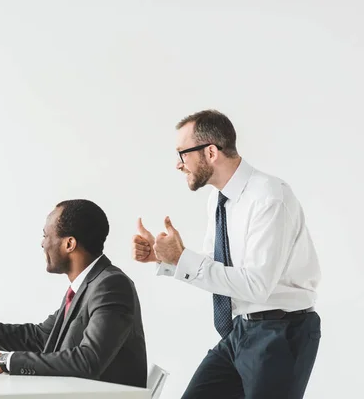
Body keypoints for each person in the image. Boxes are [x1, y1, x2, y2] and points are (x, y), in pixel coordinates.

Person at [132, 110, 321, 398]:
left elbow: (256, 286)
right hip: (240, 331)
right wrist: (166, 258)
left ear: (210, 152)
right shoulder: (219, 201)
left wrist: (181, 258)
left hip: (282, 332)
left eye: (183, 153)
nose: (178, 164)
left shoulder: (269, 197)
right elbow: (216, 271)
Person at [0, 199, 147, 388]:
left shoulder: (110, 285)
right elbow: (40, 337)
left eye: (46, 235)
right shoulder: (88, 285)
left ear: (69, 244)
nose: (42, 243)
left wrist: (3, 361)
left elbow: (88, 360)